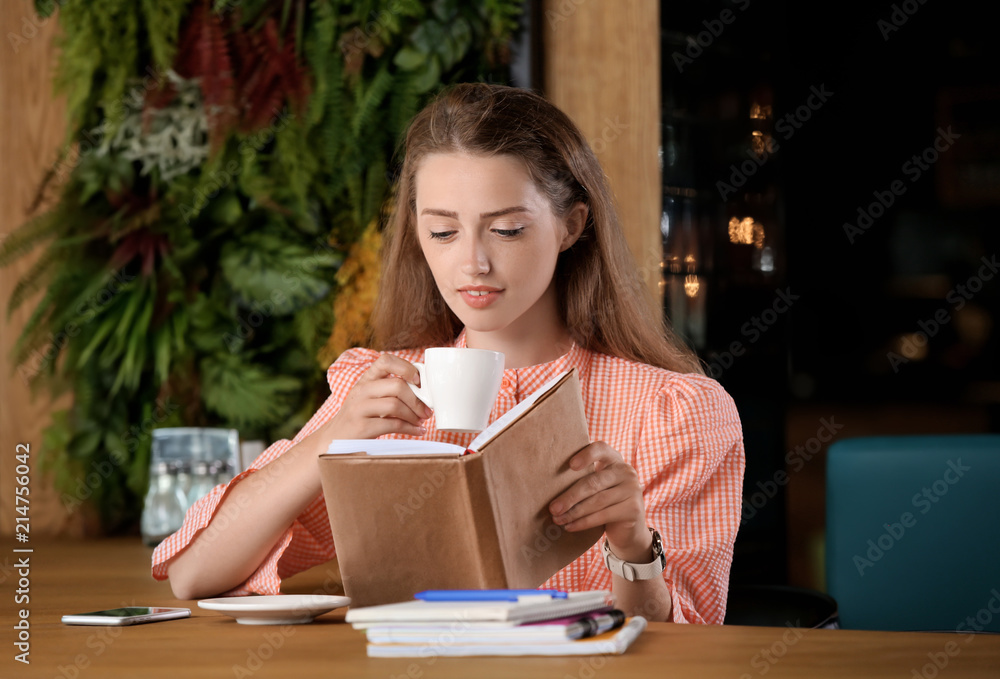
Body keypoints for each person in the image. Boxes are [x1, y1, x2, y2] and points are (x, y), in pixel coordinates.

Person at [152, 83, 744, 624]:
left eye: (506, 230)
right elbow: (194, 574)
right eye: (442, 232)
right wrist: (328, 442)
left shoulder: (673, 410)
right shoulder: (382, 390)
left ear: (571, 225)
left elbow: (684, 640)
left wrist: (633, 544)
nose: (473, 264)